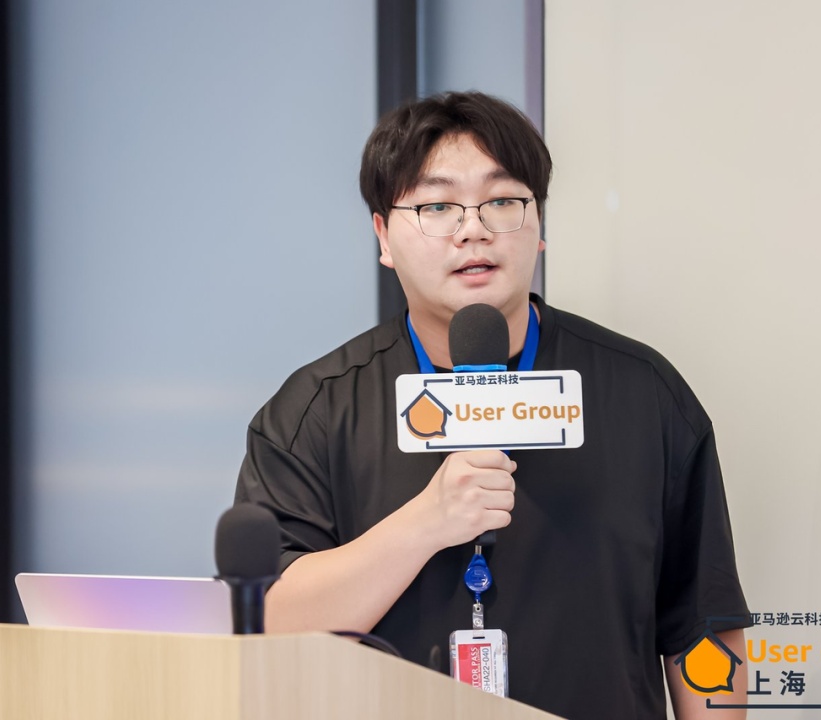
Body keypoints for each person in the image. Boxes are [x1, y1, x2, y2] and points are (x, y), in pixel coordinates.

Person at [235, 91, 750, 719]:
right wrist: (426, 523)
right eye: (436, 206)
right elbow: (272, 624)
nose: (473, 229)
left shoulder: (644, 393)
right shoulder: (314, 412)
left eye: (503, 201)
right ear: (383, 236)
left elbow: (702, 624)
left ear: (539, 225)